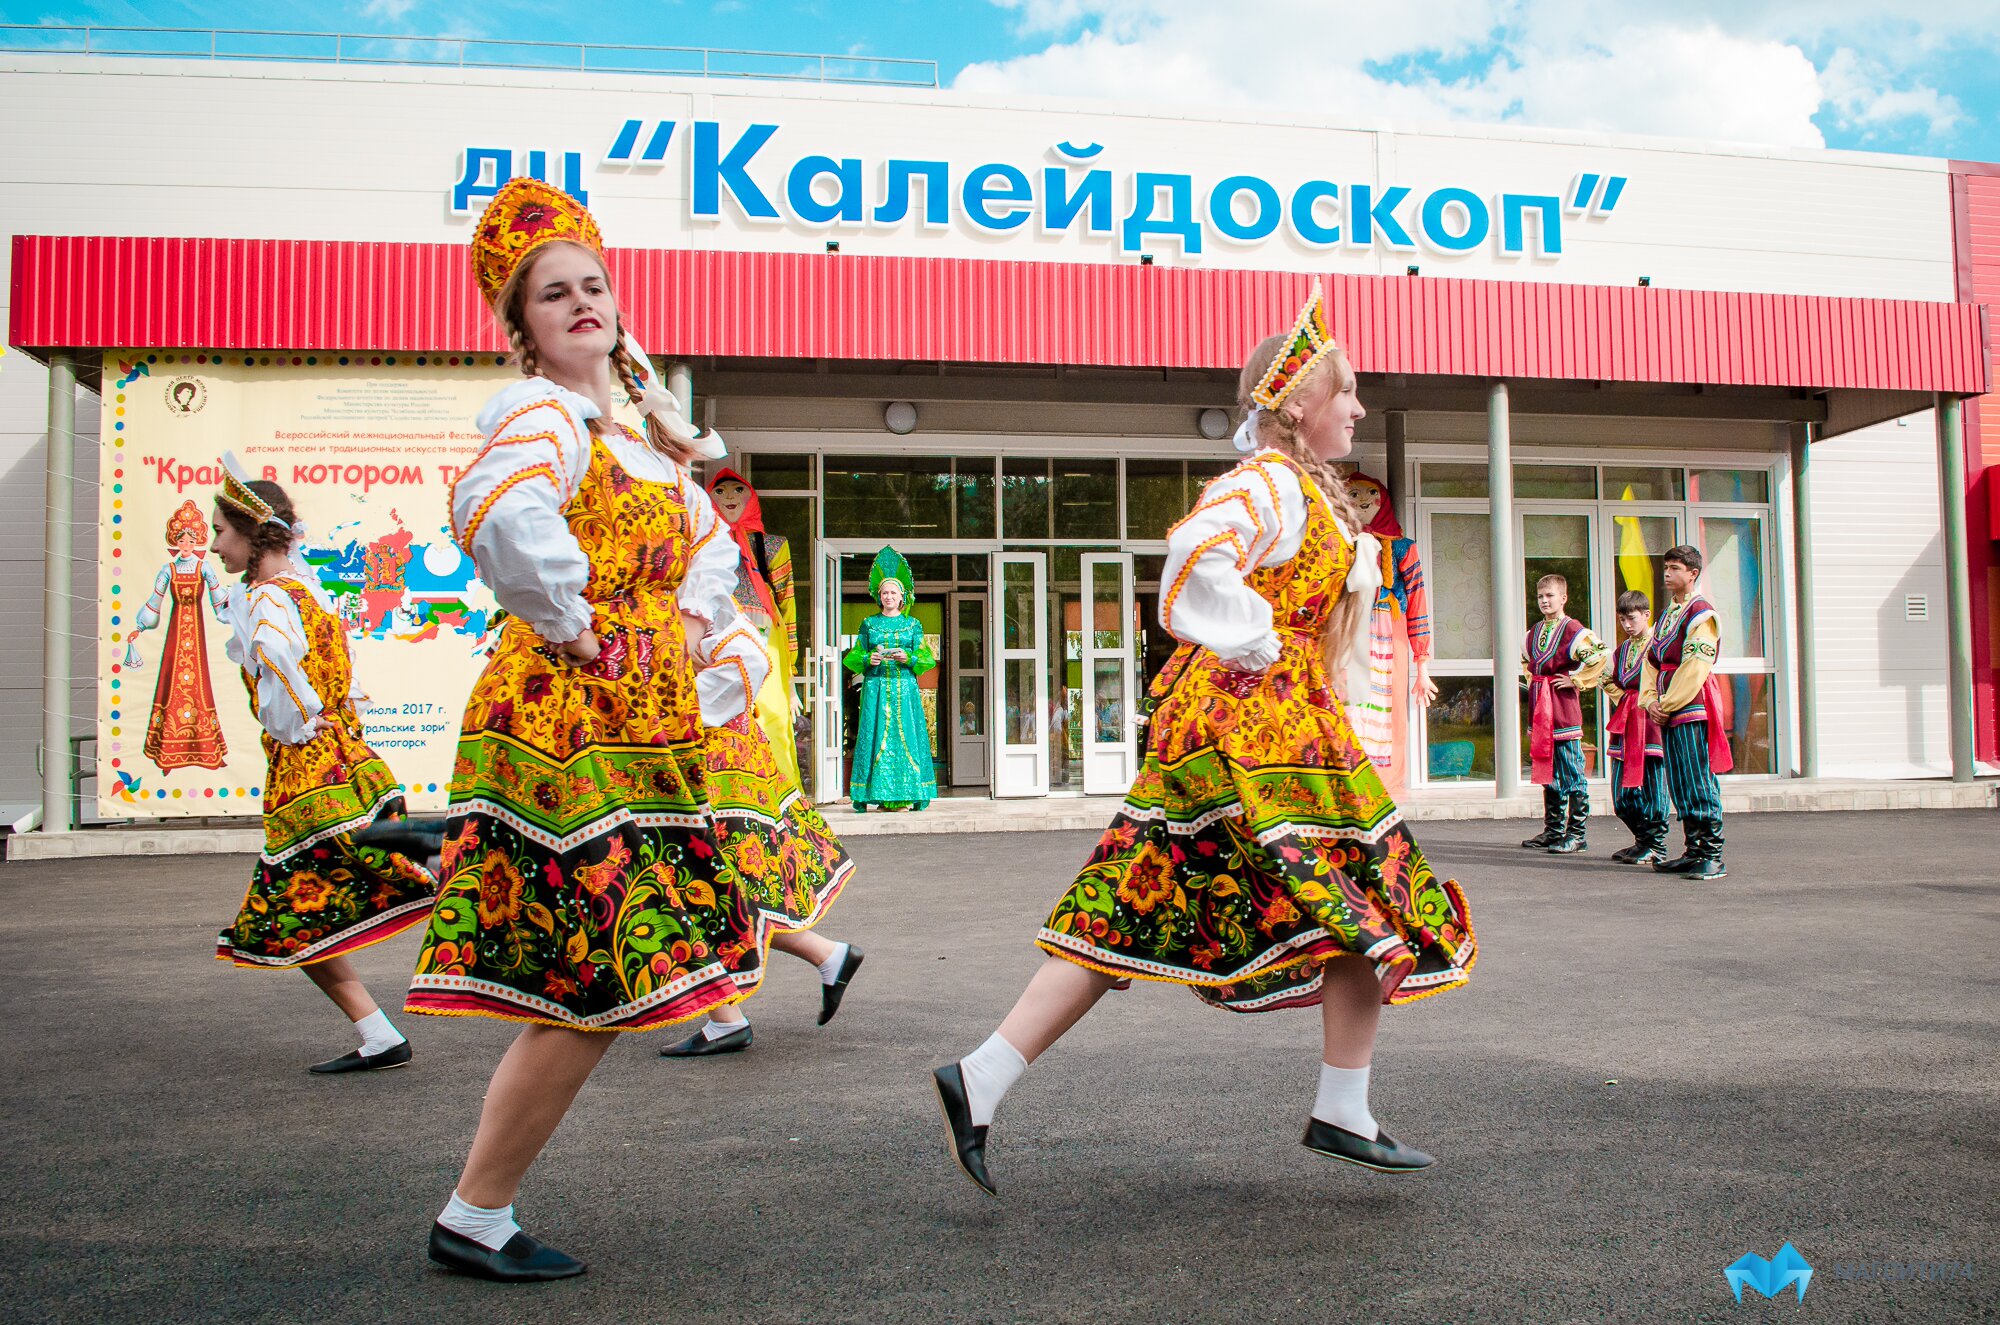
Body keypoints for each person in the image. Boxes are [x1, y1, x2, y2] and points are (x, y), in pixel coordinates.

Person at [930, 282, 1477, 1196]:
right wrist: (1252, 635)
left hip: (1281, 724)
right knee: (1350, 895)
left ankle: (982, 1076)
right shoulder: (1268, 483)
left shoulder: (1305, 491)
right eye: (1348, 391)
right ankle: (1339, 1106)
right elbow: (1192, 550)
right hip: (1244, 728)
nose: (1359, 406)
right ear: (1301, 402)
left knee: (1161, 902)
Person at [403, 178, 765, 1282]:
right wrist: (581, 627)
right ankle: (472, 1212)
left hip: (639, 725)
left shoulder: (644, 438)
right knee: (596, 976)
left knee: (599, 981)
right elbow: (496, 513)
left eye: (592, 284)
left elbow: (710, 573)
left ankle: (476, 1209)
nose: (580, 303)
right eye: (551, 293)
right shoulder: (544, 417)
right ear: (520, 326)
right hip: (570, 718)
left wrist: (716, 652)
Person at [208, 458, 438, 1072]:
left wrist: (293, 725)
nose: (215, 545)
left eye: (222, 533)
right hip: (348, 755)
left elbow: (280, 670)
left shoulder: (264, 602)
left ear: (252, 535)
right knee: (302, 914)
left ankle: (448, 859)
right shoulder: (305, 589)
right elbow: (341, 672)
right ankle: (379, 1033)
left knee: (290, 913)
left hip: (307, 770)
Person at [657, 615, 865, 1060]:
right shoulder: (683, 594)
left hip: (714, 768)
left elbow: (748, 658)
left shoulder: (696, 595)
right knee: (709, 885)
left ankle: (726, 1018)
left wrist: (678, 706)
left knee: (690, 883)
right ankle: (826, 958)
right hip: (713, 763)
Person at [705, 467, 804, 787]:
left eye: (737, 490)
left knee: (773, 718)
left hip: (766, 638)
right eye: (720, 492)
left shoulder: (773, 546)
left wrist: (790, 673)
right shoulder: (703, 543)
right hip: (716, 636)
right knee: (721, 715)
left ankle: (782, 794)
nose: (730, 497)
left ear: (752, 497)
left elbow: (787, 604)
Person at [1640, 545, 1733, 879]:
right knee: (1679, 780)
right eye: (1666, 567)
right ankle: (1693, 850)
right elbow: (1651, 661)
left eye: (1676, 567)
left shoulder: (1701, 614)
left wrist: (1667, 703)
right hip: (1668, 707)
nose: (1668, 573)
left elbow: (1696, 664)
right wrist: (1649, 699)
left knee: (1696, 778)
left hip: (1690, 707)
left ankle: (1712, 853)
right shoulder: (1668, 614)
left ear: (1693, 573)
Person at [1342, 473, 1435, 792]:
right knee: (1346, 703)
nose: (1362, 501)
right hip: (1348, 629)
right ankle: (1347, 777)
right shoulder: (1339, 544)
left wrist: (1422, 664)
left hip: (1388, 629)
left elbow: (1418, 601)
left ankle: (1383, 784)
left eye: (1370, 494)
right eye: (1352, 495)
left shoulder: (1403, 548)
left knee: (1386, 707)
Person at [127, 499, 231, 772]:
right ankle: (167, 751)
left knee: (199, 685)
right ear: (176, 540)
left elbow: (218, 598)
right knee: (172, 682)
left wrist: (233, 616)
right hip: (176, 634)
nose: (186, 543)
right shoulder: (168, 570)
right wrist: (141, 626)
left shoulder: (204, 568)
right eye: (182, 539)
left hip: (195, 635)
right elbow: (155, 601)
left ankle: (206, 749)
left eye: (192, 539)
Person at [1519, 574, 1609, 854]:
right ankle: (1554, 829)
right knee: (1547, 769)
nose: (1545, 601)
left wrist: (1577, 680)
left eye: (1550, 596)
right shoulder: (1533, 632)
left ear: (1563, 598)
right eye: (1540, 597)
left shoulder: (1574, 631)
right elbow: (1526, 662)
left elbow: (1601, 656)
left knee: (1571, 768)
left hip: (1562, 708)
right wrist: (1536, 682)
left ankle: (1577, 833)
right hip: (1541, 708)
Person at [843, 547, 937, 811]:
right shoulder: (869, 624)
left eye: (893, 592)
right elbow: (854, 656)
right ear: (878, 596)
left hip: (905, 689)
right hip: (876, 688)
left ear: (902, 596)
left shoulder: (913, 625)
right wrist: (867, 660)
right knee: (875, 738)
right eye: (884, 593)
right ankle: (876, 796)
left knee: (907, 735)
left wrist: (909, 658)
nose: (889, 597)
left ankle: (909, 794)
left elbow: (926, 659)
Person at [1602, 590, 1669, 865]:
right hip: (1626, 722)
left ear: (1646, 615)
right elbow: (1606, 677)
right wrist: (1623, 698)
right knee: (1621, 796)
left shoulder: (1659, 647)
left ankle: (1656, 844)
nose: (1627, 625)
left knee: (1654, 786)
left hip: (1651, 724)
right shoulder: (1622, 650)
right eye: (1622, 620)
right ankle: (1643, 840)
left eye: (1631, 618)